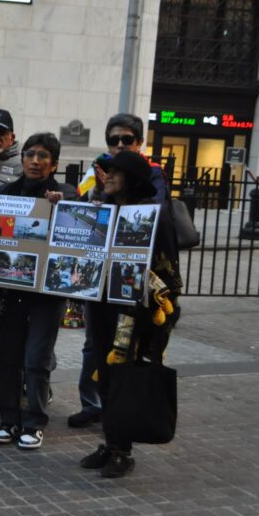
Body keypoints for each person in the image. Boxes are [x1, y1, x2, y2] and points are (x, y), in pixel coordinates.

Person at [80, 150, 181, 477]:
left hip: (133, 310)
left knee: (124, 376)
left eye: (115, 173)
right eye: (106, 171)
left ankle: (123, 450)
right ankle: (110, 442)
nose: (106, 176)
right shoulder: (105, 211)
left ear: (133, 180)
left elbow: (168, 271)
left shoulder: (154, 215)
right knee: (104, 375)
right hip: (101, 304)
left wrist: (158, 312)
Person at [69, 113, 168, 429]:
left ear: (140, 142)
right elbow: (80, 207)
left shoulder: (151, 175)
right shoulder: (98, 170)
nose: (120, 145)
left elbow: (156, 217)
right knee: (93, 345)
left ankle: (121, 431)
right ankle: (94, 406)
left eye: (127, 139)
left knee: (126, 349)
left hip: (131, 282)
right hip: (98, 276)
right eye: (114, 140)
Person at [0, 133, 77, 450]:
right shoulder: (6, 192)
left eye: (43, 156)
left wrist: (63, 205)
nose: (35, 161)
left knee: (37, 358)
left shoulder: (64, 193)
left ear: (54, 163)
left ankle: (35, 422)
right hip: (11, 292)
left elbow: (78, 217)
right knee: (8, 358)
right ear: (21, 158)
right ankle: (8, 420)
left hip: (45, 296)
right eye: (30, 154)